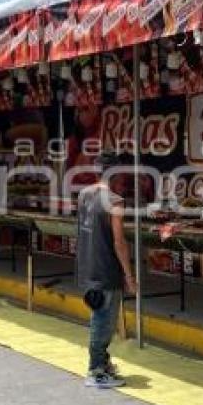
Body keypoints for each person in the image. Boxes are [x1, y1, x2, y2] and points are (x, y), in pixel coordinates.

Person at [76, 151, 136, 389]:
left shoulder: (83, 195)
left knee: (97, 317)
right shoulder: (115, 201)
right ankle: (96, 370)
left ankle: (103, 362)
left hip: (87, 267)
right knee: (104, 321)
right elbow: (119, 242)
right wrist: (129, 276)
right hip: (106, 269)